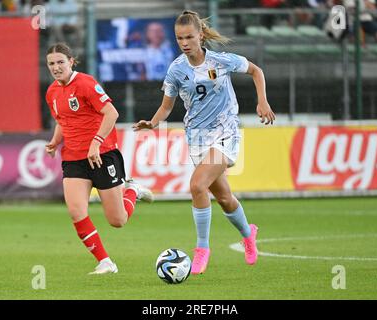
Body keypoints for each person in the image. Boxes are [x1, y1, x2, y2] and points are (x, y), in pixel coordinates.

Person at [133, 10, 275, 275]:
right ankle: (248, 234)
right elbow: (166, 107)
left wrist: (262, 101)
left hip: (226, 131)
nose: (185, 43)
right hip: (197, 137)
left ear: (200, 36)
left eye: (189, 37)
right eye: (179, 39)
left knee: (197, 185)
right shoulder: (176, 69)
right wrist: (152, 123)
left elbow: (256, 71)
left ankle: (201, 249)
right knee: (224, 198)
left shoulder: (221, 61)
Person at [45, 43, 154, 275]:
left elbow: (111, 113)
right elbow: (62, 120)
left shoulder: (85, 83)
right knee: (76, 212)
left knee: (117, 221)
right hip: (74, 159)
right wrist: (55, 141)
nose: (56, 67)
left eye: (60, 62)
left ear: (71, 61)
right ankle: (105, 262)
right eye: (51, 63)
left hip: (103, 155)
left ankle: (133, 190)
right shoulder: (52, 92)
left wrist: (95, 142)